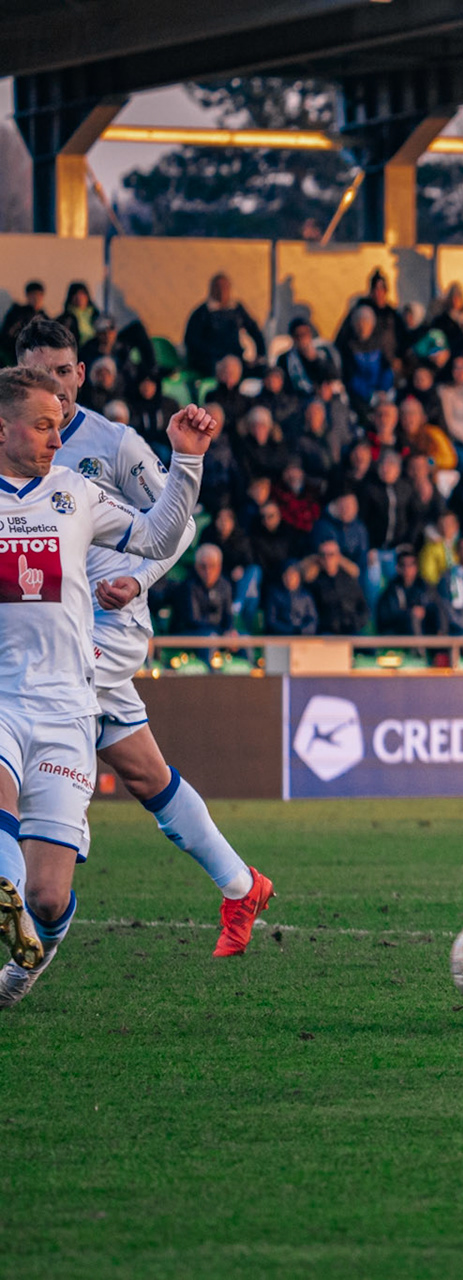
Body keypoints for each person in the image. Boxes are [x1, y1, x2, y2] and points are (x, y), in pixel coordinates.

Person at [17, 319, 273, 972]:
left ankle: (57, 828)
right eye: (40, 373)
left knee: (35, 706)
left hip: (107, 631)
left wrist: (140, 578)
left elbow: (175, 526)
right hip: (56, 625)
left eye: (65, 371)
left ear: (80, 372)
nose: (57, 386)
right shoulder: (14, 441)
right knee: (144, 771)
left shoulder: (115, 443)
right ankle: (241, 885)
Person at [0, 367, 219, 998]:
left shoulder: (75, 493)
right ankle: (4, 890)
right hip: (4, 701)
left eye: (59, 425)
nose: (54, 438)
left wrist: (187, 461)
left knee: (49, 896)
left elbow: (160, 535)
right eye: (41, 426)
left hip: (69, 708)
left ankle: (24, 956)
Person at [183, 273, 266, 377]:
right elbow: (192, 342)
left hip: (236, 357)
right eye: (218, 287)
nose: (222, 291)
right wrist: (214, 357)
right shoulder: (202, 313)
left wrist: (260, 354)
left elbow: (254, 329)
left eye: (225, 287)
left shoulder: (237, 309)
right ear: (211, 289)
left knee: (262, 371)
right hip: (211, 361)